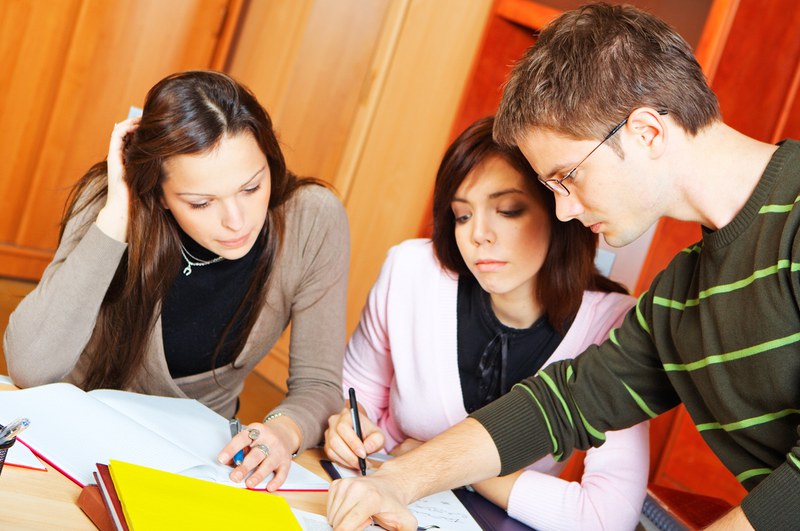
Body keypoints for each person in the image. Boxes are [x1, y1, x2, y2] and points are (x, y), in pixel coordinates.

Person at [325, 4, 800, 530]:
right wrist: (399, 479)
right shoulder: (677, 298)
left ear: (645, 132)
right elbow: (563, 402)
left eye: (568, 177)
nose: (564, 210)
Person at [4, 70, 350, 492]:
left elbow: (318, 383)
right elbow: (31, 366)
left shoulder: (312, 219)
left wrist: (282, 430)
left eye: (252, 186)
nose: (236, 222)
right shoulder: (113, 200)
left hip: (199, 464)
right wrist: (116, 216)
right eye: (201, 202)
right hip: (72, 449)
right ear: (160, 195)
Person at [323, 116, 648, 530]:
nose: (478, 234)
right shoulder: (410, 271)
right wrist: (348, 431)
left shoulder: (614, 326)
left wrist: (433, 461)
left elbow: (605, 518)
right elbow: (355, 398)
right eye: (461, 216)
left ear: (558, 210)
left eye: (508, 210)